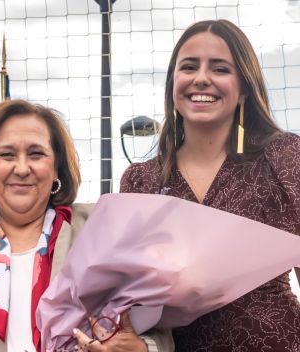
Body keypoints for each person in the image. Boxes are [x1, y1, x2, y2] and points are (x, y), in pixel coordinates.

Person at [0, 100, 172, 352]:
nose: (21, 168)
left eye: (36, 154)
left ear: (56, 169)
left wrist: (141, 348)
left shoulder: (101, 229)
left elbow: (160, 335)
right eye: (6, 155)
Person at [120, 19, 300, 351]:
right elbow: (131, 303)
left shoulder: (285, 157)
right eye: (189, 67)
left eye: (220, 69)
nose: (201, 78)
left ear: (244, 88)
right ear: (172, 85)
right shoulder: (140, 181)